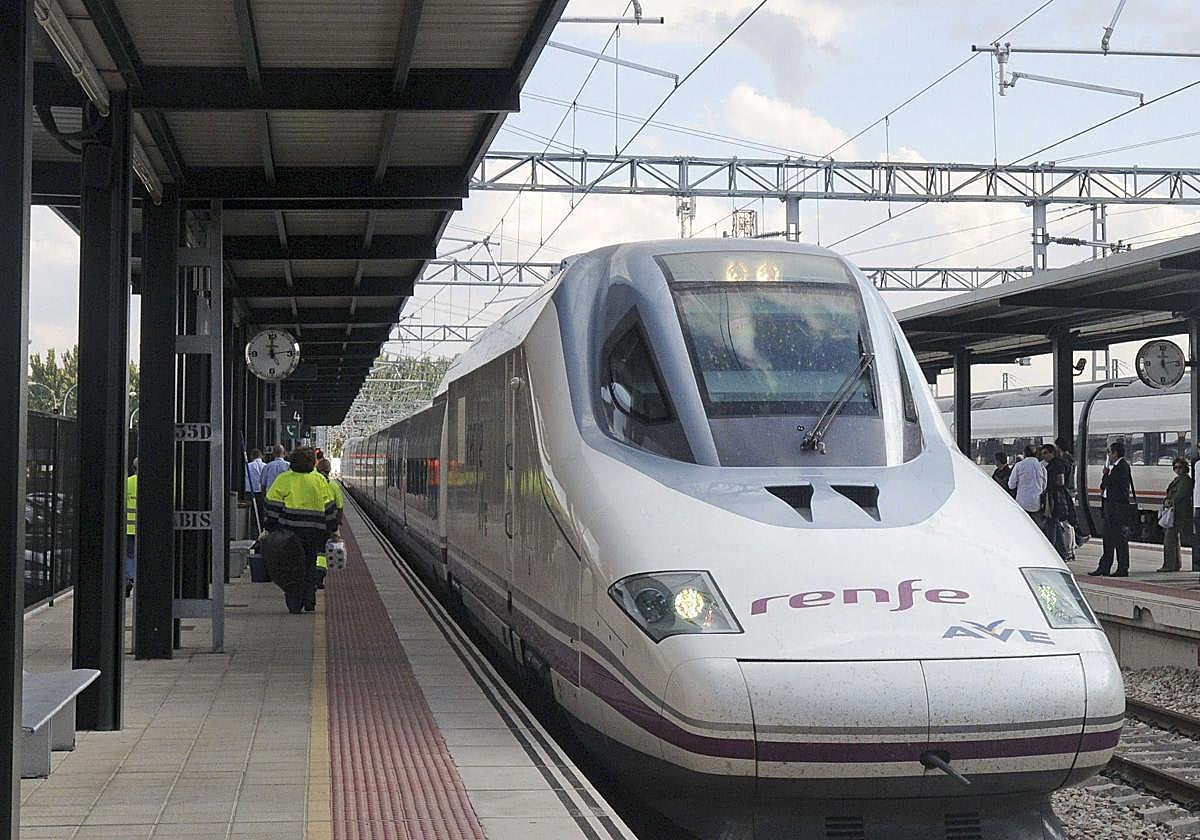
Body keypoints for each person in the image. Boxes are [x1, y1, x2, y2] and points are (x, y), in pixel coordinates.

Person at [264, 446, 337, 613]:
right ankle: (310, 599)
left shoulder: (284, 479)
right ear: (313, 463)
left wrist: (272, 526)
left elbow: (271, 504)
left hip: (289, 533)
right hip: (315, 532)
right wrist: (331, 528)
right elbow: (329, 506)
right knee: (311, 564)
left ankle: (294, 602)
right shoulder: (319, 480)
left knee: (291, 566)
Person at [1090, 442, 1134, 578]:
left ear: (1115, 453)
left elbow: (1106, 483)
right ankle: (1104, 566)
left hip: (1117, 508)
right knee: (1108, 539)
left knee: (1119, 539)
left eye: (1110, 453)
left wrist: (1105, 474)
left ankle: (1123, 568)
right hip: (1110, 507)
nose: (1109, 455)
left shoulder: (1121, 467)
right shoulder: (1116, 467)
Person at [1159, 457, 1194, 572]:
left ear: (1185, 468)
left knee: (1169, 538)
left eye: (1179, 467)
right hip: (1176, 512)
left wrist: (1170, 501)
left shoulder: (1185, 481)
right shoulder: (1178, 480)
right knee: (1173, 538)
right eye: (1175, 467)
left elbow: (1180, 495)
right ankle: (1176, 564)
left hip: (1178, 512)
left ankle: (1169, 565)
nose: (1177, 470)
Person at [1041, 443, 1075, 560]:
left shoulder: (1058, 464)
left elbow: (1060, 480)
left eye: (1046, 453)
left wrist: (1049, 485)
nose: (1044, 456)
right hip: (1054, 496)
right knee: (1054, 523)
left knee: (1052, 523)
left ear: (1052, 453)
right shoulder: (1053, 463)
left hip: (1055, 498)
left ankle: (1053, 551)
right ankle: (1062, 552)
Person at [314, 458, 344, 590]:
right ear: (329, 470)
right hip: (326, 523)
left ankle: (311, 575)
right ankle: (319, 577)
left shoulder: (312, 482)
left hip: (311, 521)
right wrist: (336, 525)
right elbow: (339, 506)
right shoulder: (333, 485)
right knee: (323, 551)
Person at [1008, 445, 1047, 526]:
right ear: (1036, 454)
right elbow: (1044, 487)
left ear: (1024, 454)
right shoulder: (1042, 467)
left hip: (1021, 503)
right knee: (1036, 530)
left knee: (1022, 527)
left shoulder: (1019, 465)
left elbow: (1011, 485)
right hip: (1036, 503)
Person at [125, 458, 138, 598]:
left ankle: (130, 579)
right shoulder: (150, 484)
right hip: (146, 528)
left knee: (129, 555)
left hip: (129, 527)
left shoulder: (128, 482)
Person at [246, 448, 266, 528]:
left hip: (250, 493)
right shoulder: (266, 466)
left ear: (252, 456)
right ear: (261, 456)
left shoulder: (247, 466)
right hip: (262, 493)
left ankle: (252, 530)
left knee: (251, 514)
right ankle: (261, 529)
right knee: (262, 513)